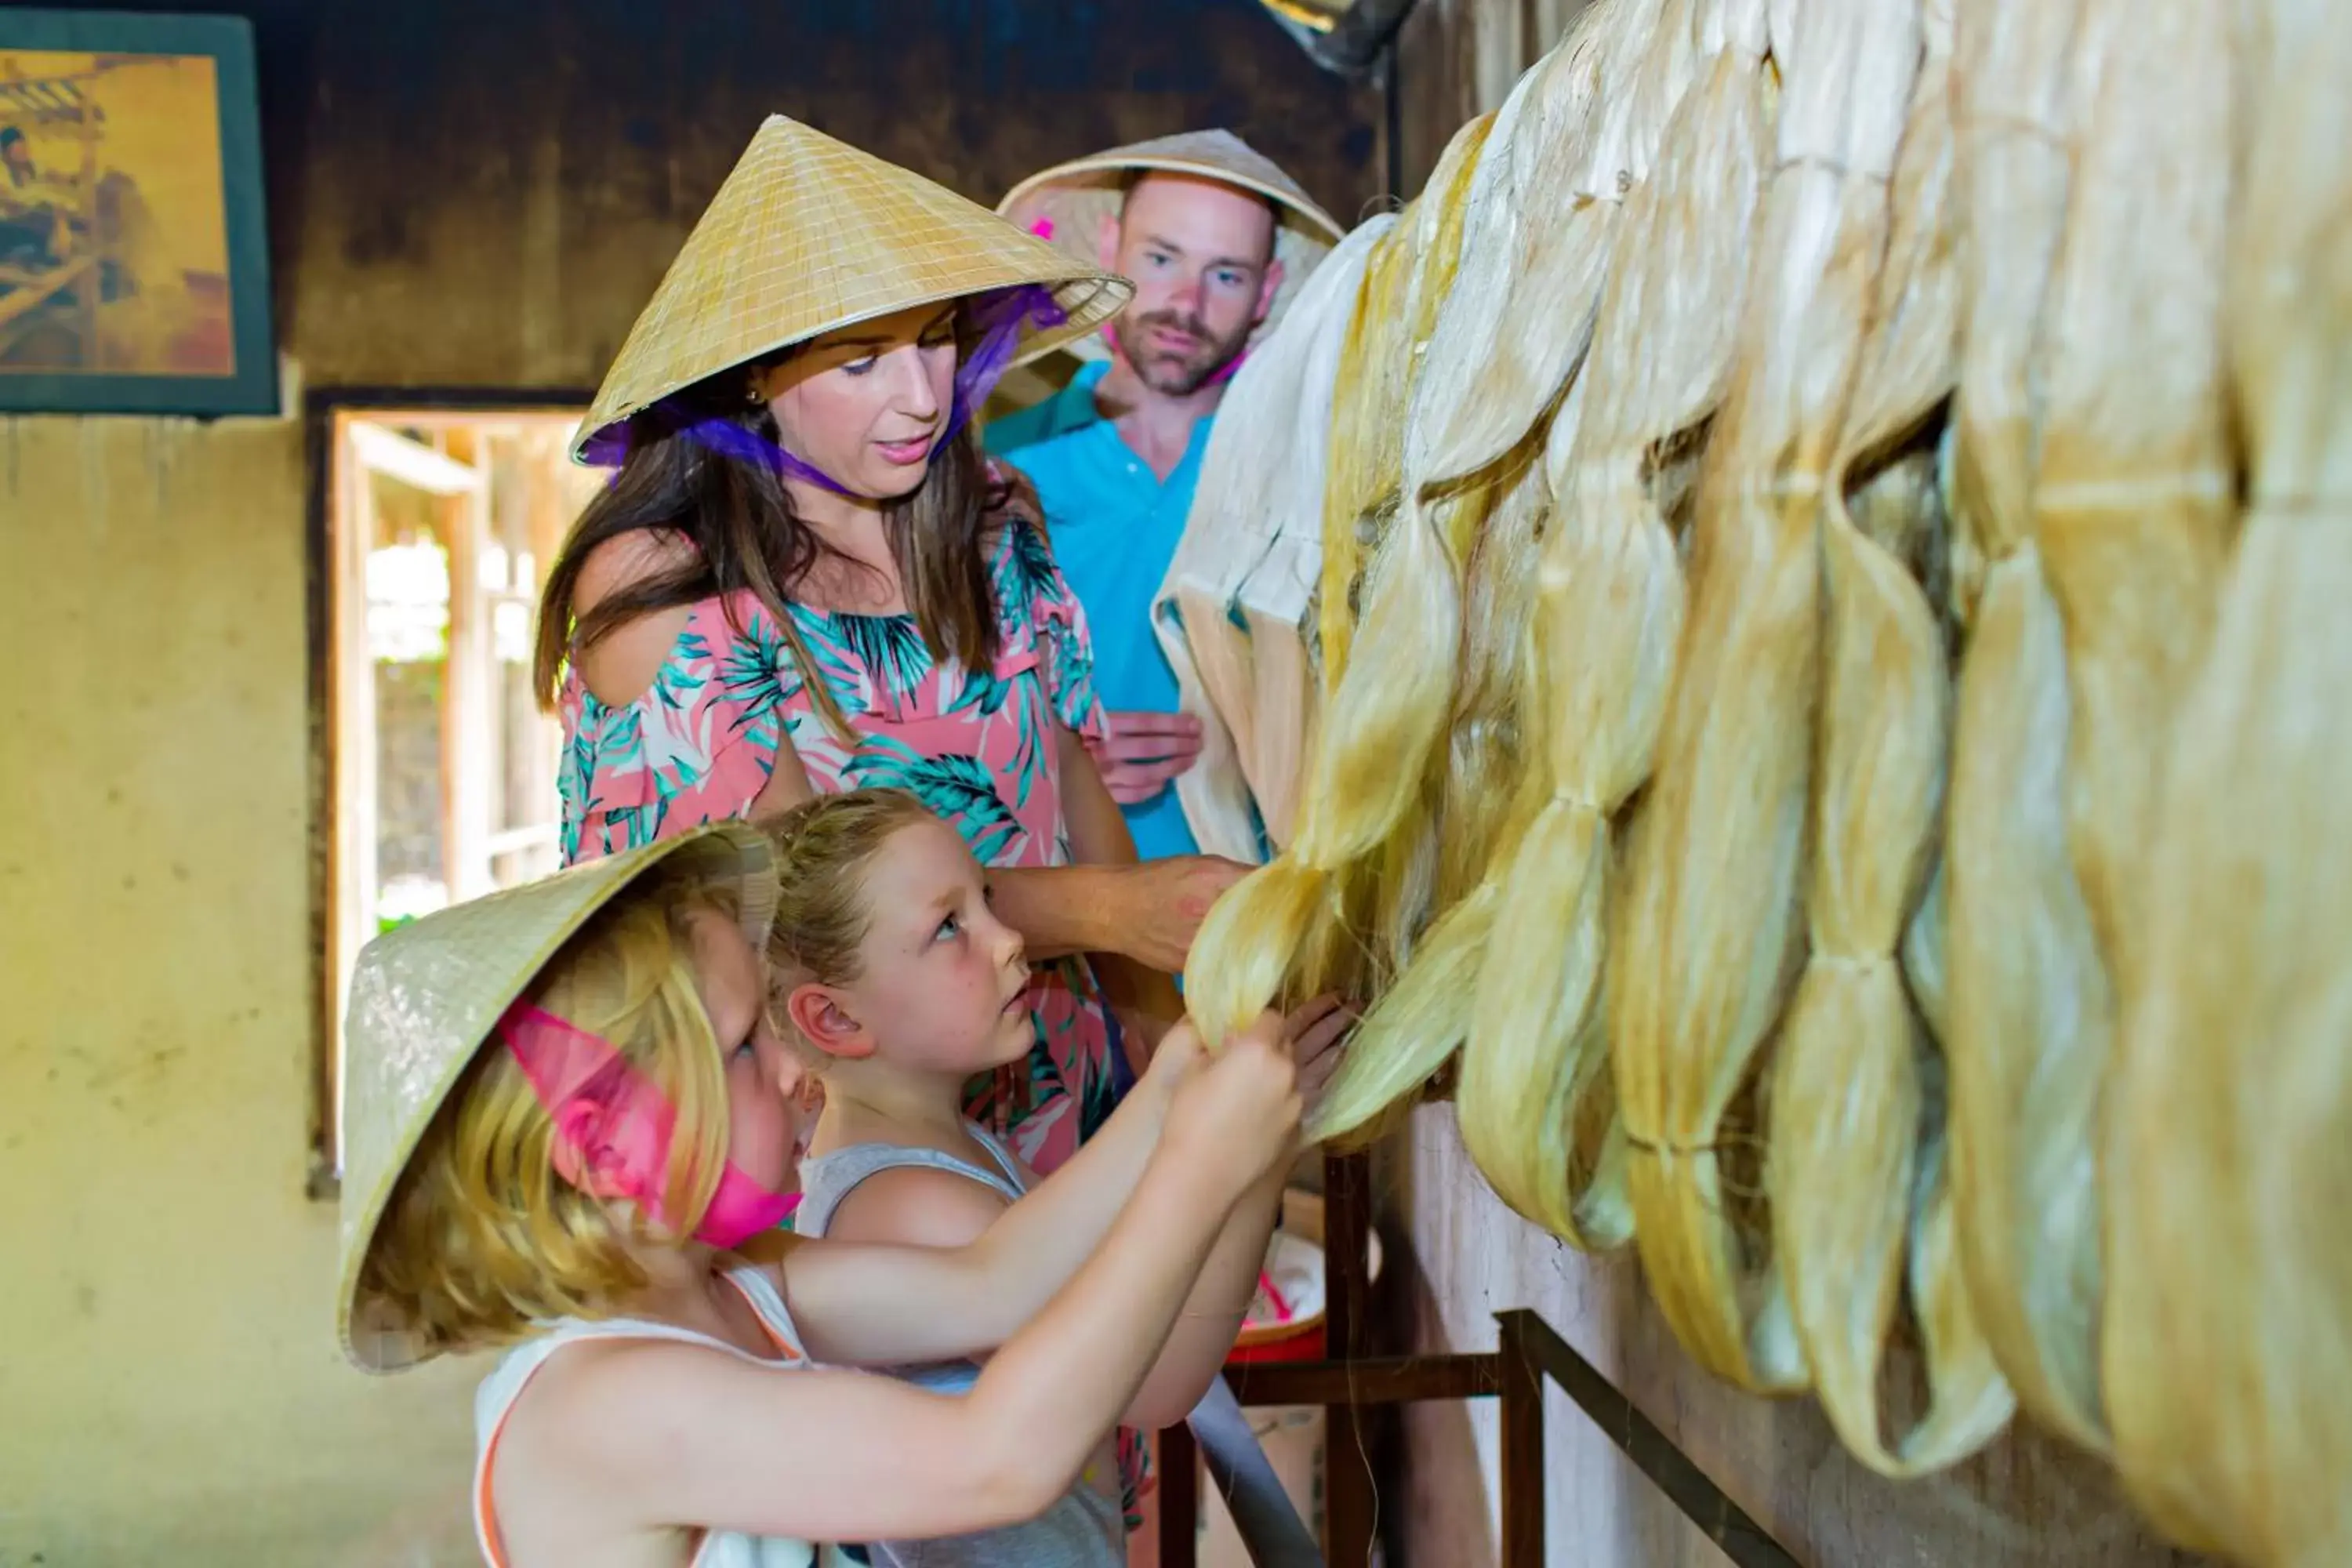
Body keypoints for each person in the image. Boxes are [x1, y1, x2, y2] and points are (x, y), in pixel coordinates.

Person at [537, 116, 1234, 1191]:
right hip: (850, 1141)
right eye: (863, 361)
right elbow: (811, 909)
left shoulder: (996, 515)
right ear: (755, 377)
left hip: (1057, 1076)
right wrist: (1111, 913)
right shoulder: (662, 589)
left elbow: (1070, 791)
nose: (923, 398)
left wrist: (1155, 1053)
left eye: (938, 340)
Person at [337, 822, 1308, 1568]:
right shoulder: (608, 1402)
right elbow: (996, 1456)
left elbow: (993, 1278)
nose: (795, 1072)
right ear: (597, 1146)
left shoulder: (738, 1279)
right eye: (745, 1048)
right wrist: (1201, 1165)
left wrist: (1182, 1078)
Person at [759, 789, 1348, 1567]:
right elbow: (1162, 1381)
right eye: (949, 926)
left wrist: (1188, 1081)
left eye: (988, 899)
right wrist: (1258, 1156)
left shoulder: (956, 1146)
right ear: (834, 1019)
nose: (1010, 940)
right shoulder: (906, 1203)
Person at [987, 132, 1344, 858]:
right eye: (1161, 259)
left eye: (1227, 275)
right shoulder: (996, 473)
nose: (1186, 304)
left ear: (1268, 292)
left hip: (1263, 933)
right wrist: (1048, 761)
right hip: (1053, 934)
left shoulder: (1315, 480)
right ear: (1110, 248)